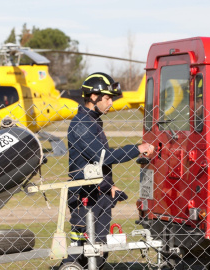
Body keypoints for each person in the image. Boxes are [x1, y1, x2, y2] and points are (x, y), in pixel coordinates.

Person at [61, 72, 154, 269]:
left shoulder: (93, 121)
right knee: (81, 249)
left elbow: (97, 164)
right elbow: (104, 157)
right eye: (107, 98)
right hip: (84, 196)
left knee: (100, 249)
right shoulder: (82, 125)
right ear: (93, 97)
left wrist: (108, 185)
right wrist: (137, 148)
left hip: (98, 192)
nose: (111, 103)